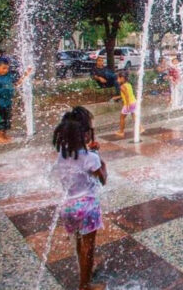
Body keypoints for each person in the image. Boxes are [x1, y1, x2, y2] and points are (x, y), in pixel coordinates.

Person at [51, 106, 107, 290]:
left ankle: (84, 271)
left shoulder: (62, 154)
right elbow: (103, 179)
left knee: (79, 241)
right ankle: (85, 285)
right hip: (87, 206)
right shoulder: (91, 157)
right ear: (85, 135)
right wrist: (99, 156)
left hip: (68, 205)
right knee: (88, 247)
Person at [0, 59, 32, 143]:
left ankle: (4, 135)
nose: (6, 70)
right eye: (4, 68)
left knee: (7, 119)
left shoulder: (8, 76)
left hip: (7, 102)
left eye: (7, 68)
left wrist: (25, 75)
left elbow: (16, 83)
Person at [115, 70, 139, 137]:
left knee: (122, 118)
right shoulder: (128, 84)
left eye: (118, 78)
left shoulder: (122, 86)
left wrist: (128, 105)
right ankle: (140, 128)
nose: (117, 80)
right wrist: (117, 97)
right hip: (134, 102)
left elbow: (126, 95)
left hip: (128, 104)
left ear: (122, 78)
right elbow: (128, 93)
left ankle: (121, 132)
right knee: (134, 116)